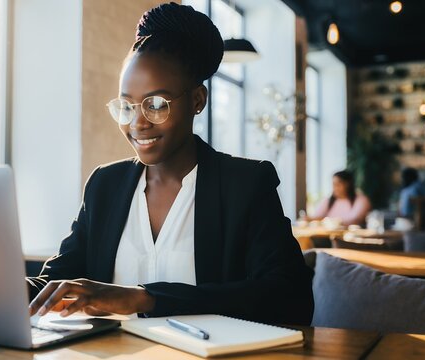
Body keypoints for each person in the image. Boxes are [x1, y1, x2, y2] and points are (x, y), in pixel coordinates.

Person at [26, 2, 313, 326]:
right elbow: (55, 282)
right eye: (127, 105)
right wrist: (6, 289)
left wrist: (144, 298)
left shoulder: (245, 185)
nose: (138, 123)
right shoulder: (105, 185)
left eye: (157, 104)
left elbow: (290, 300)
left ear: (197, 101)